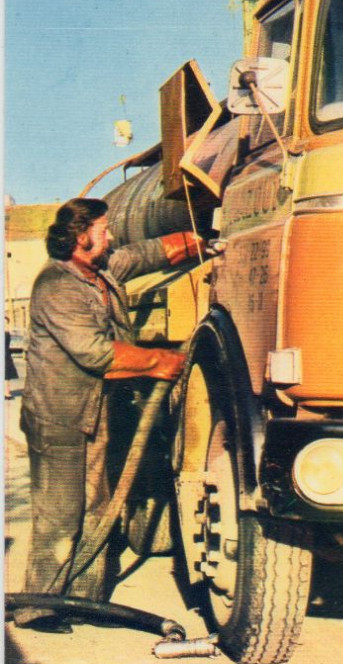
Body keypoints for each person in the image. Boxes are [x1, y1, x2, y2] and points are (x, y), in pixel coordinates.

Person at [14, 197, 205, 634]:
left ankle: (85, 601)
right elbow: (96, 353)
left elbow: (145, 254)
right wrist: (159, 360)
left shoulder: (99, 272)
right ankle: (38, 607)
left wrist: (196, 241)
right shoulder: (56, 287)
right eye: (103, 230)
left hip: (95, 413)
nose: (111, 236)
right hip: (59, 419)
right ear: (81, 239)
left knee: (99, 507)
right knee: (61, 511)